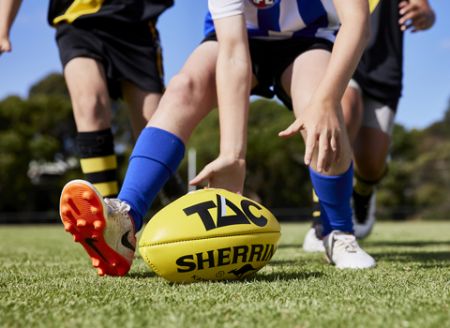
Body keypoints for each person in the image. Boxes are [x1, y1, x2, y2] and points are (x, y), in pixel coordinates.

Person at [59, 0, 375, 277]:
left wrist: (327, 100)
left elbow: (357, 20)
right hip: (236, 40)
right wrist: (232, 155)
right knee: (184, 88)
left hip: (309, 38)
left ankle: (337, 230)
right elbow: (235, 54)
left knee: (317, 103)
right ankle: (124, 220)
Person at [0, 0, 182, 200]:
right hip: (76, 19)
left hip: (134, 22)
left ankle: (172, 197)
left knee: (153, 133)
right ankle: (105, 216)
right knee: (90, 105)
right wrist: (3, 26)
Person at [302, 0, 436, 252]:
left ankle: (363, 191)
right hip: (337, 49)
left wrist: (424, 16)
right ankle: (323, 220)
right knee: (345, 109)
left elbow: (425, 10)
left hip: (384, 64)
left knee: (373, 163)